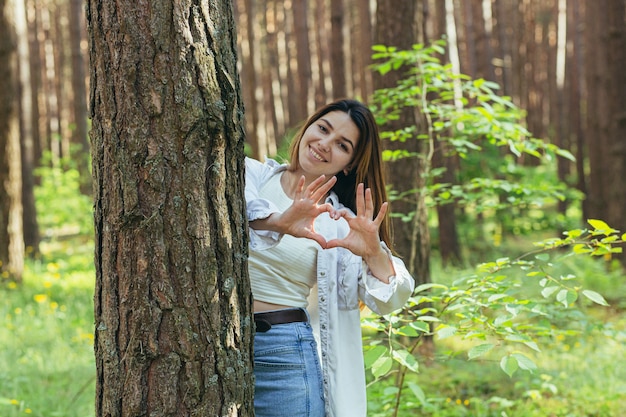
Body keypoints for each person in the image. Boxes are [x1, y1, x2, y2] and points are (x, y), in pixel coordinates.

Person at [245, 99, 415, 417]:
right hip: (214, 342)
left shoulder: (341, 222)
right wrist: (279, 223)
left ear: (349, 164)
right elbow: (244, 206)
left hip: (283, 356)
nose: (324, 144)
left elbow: (391, 298)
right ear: (308, 126)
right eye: (323, 129)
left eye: (342, 145)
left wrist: (373, 250)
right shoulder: (253, 174)